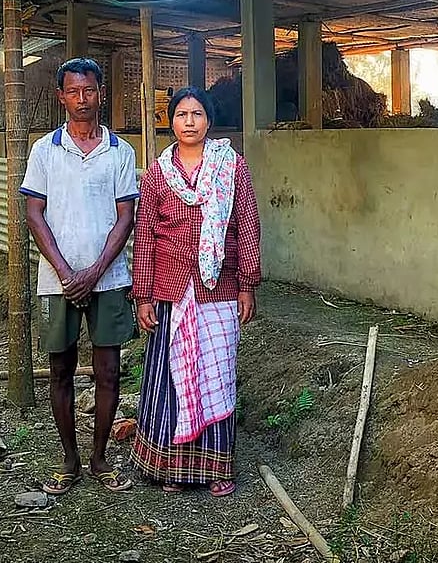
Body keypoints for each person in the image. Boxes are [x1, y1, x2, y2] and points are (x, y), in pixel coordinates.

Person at [130, 86, 260, 497]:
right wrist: (143, 294)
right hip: (170, 290)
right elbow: (146, 237)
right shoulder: (156, 174)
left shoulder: (231, 167)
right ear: (171, 122)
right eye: (182, 114)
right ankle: (170, 468)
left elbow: (247, 226)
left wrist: (246, 285)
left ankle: (216, 468)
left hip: (217, 289)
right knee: (170, 378)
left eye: (197, 114)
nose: (189, 121)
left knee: (216, 376)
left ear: (209, 121)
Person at [20, 57, 138, 495]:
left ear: (101, 92)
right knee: (61, 370)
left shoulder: (120, 152)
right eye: (74, 91)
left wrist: (94, 271)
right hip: (57, 281)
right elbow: (34, 214)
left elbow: (126, 218)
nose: (82, 99)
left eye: (89, 90)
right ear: (61, 97)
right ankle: (69, 459)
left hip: (108, 279)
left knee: (109, 372)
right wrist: (68, 272)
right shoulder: (44, 150)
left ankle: (100, 458)